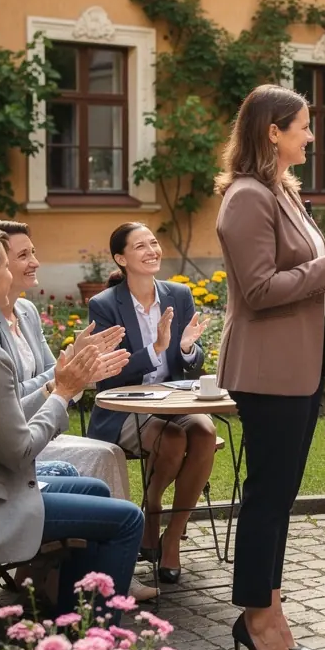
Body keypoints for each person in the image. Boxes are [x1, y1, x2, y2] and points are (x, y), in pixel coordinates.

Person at [215, 84, 325, 650]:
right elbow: (260, 291)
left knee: (280, 498)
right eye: (304, 127)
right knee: (268, 499)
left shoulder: (280, 191)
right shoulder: (246, 198)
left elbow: (304, 271)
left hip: (295, 369)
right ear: (272, 131)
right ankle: (256, 619)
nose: (312, 136)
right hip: (266, 372)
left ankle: (271, 612)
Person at [0, 227, 144, 612]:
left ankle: (67, 613)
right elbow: (18, 452)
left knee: (93, 489)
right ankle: (94, 637)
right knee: (128, 520)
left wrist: (63, 383)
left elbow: (2, 415)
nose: (13, 271)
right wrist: (62, 391)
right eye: (4, 265)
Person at [87, 223, 215, 585]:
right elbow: (107, 376)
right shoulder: (105, 305)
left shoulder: (178, 294)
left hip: (173, 401)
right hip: (125, 407)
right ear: (121, 258)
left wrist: (188, 347)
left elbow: (190, 365)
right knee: (172, 440)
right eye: (140, 246)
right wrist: (154, 350)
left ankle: (172, 536)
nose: (151, 250)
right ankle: (152, 510)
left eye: (154, 243)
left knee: (204, 432)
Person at [0, 220, 133, 501]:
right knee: (105, 456)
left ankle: (100, 537)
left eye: (33, 252)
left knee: (109, 455)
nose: (35, 262)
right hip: (14, 441)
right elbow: (11, 396)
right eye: (23, 255)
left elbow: (54, 372)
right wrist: (65, 377)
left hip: (41, 429)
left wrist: (78, 367)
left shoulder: (26, 310)